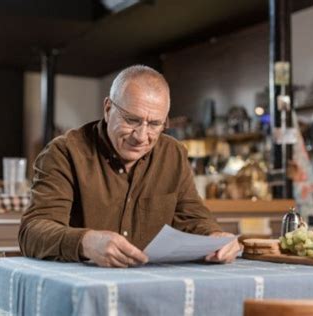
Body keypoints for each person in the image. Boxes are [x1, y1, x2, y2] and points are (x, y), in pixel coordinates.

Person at [19, 65, 241, 268]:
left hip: (150, 286)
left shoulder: (173, 154)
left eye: (155, 124)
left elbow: (194, 218)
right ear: (107, 108)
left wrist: (215, 237)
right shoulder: (64, 152)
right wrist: (85, 242)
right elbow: (32, 232)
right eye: (132, 120)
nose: (142, 136)